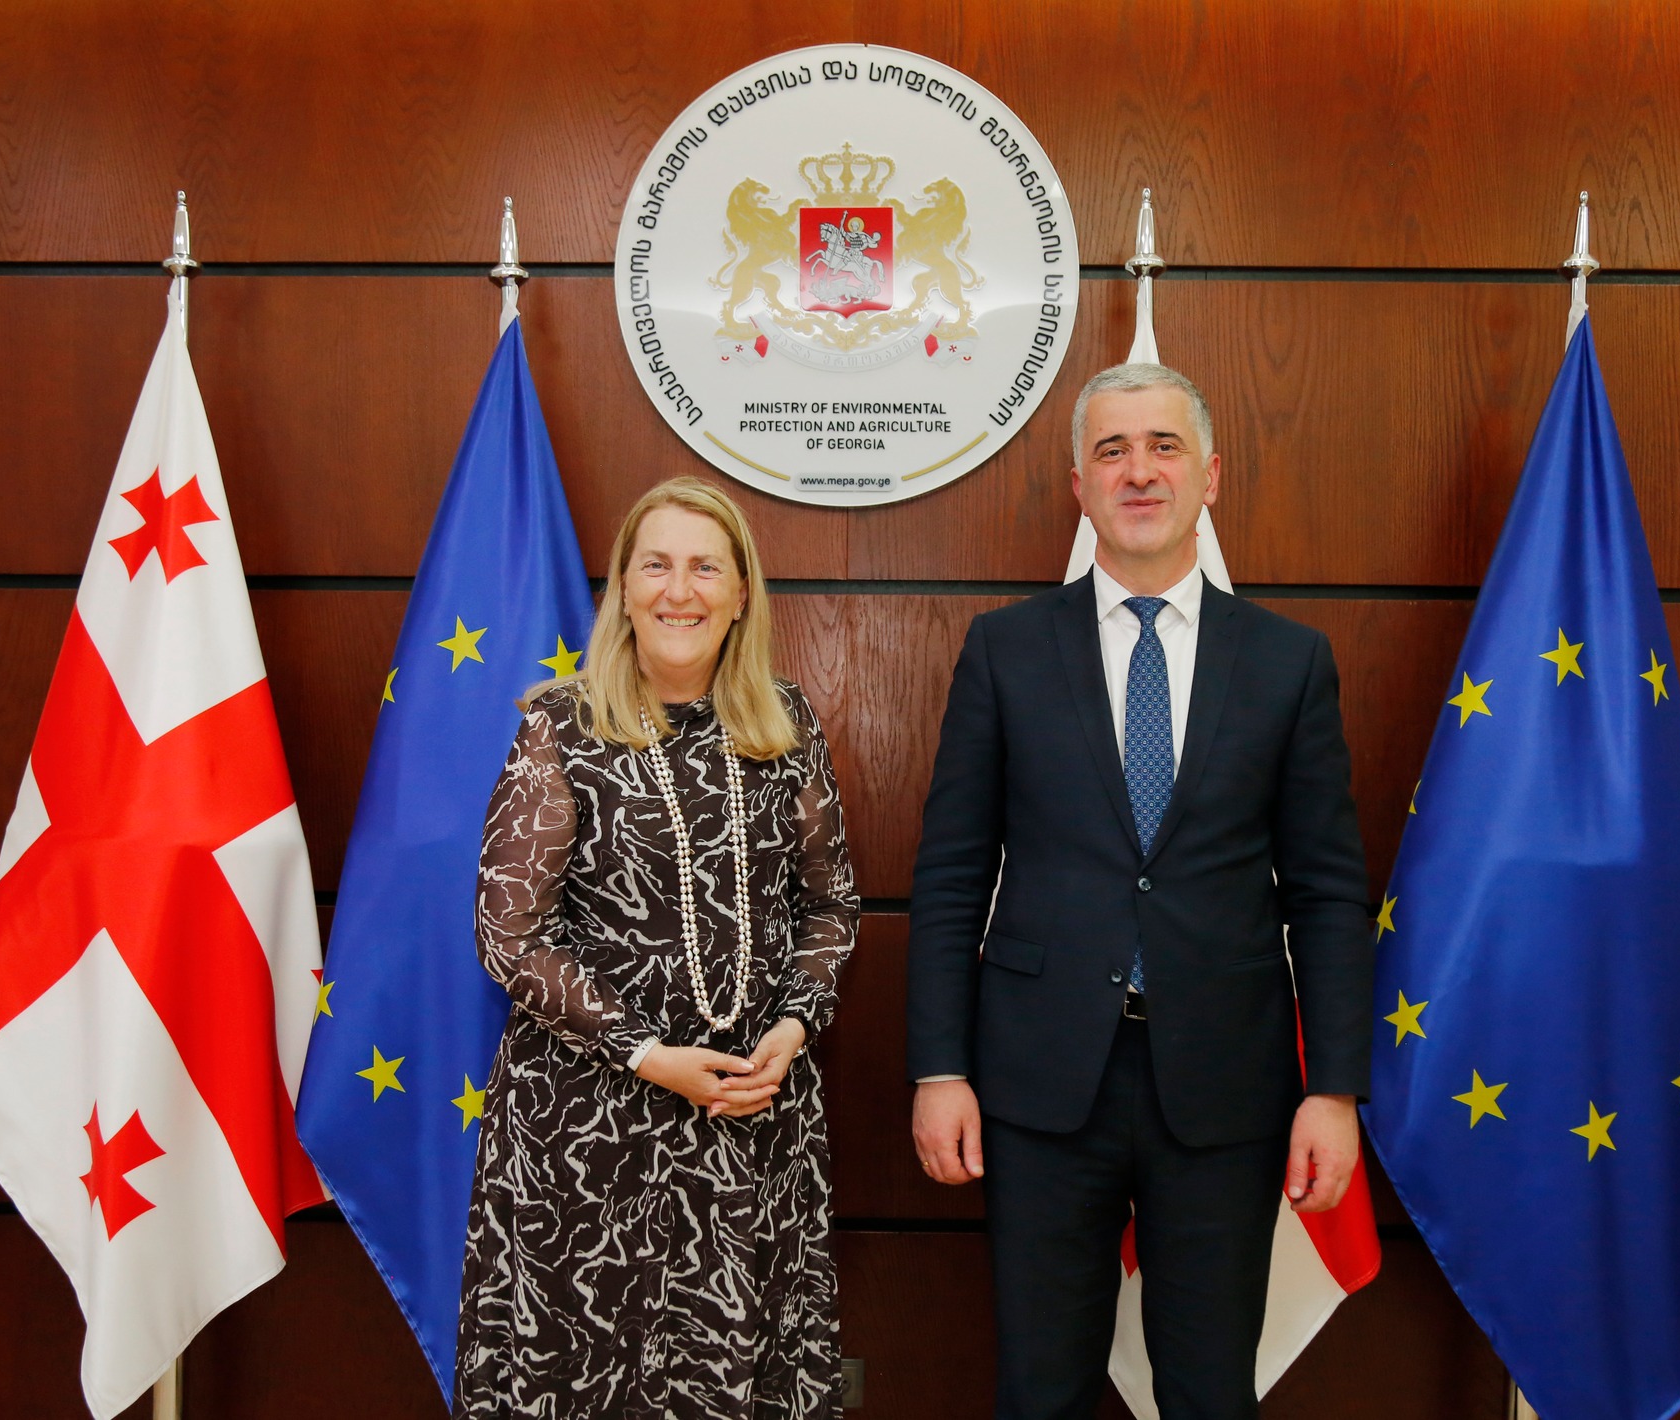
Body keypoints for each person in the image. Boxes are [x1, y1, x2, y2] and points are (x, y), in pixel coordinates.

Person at [906, 364, 1374, 1419]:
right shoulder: (1005, 650)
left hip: (1225, 1086)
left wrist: (1335, 1089)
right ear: (1080, 486)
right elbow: (949, 876)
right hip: (1037, 1083)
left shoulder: (1289, 662)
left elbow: (1326, 891)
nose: (1138, 471)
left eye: (1164, 446)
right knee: (1041, 1389)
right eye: (1111, 450)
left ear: (1210, 476)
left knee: (1209, 1392)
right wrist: (939, 1067)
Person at [456, 477, 858, 1420]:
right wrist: (644, 1052)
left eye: (706, 568)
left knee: (739, 1377)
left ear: (741, 593)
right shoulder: (560, 725)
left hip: (753, 1120)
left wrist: (796, 1027)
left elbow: (832, 906)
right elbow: (508, 933)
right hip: (589, 1132)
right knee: (591, 1381)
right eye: (657, 566)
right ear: (625, 590)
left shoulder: (787, 723)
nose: (681, 591)